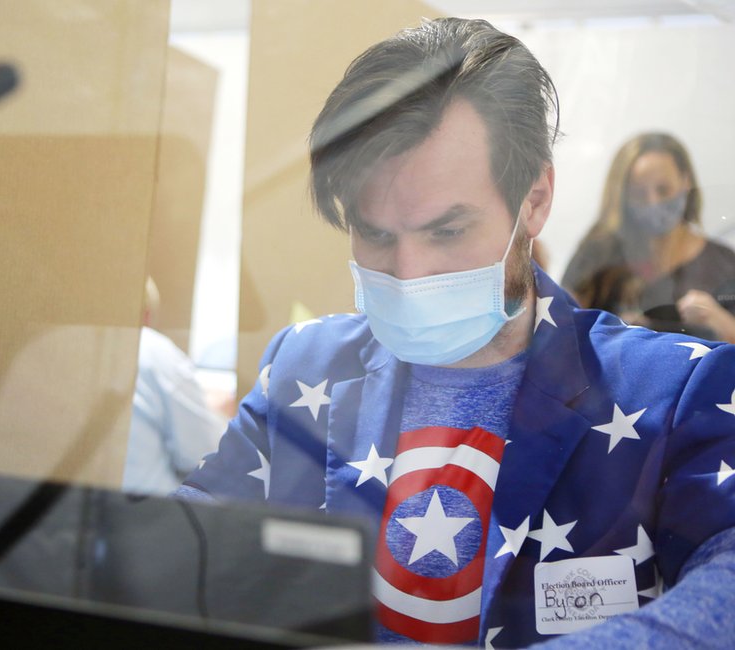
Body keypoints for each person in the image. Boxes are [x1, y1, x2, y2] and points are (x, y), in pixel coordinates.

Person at [175, 17, 735, 648]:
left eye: (447, 230)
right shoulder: (306, 368)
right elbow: (175, 550)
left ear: (535, 199)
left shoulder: (674, 390)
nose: (410, 273)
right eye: (377, 234)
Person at [562, 132, 735, 342]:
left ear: (686, 182)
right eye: (639, 193)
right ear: (622, 196)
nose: (653, 202)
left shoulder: (725, 265)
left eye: (663, 190)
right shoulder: (600, 254)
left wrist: (722, 324)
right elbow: (560, 327)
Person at [121, 277, 224, 495]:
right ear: (147, 314)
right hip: (143, 517)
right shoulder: (151, 348)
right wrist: (218, 414)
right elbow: (203, 453)